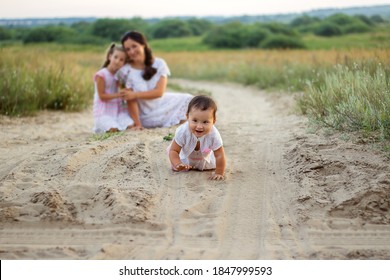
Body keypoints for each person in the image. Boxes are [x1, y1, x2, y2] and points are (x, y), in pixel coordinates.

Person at [116, 30, 193, 128]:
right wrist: (138, 124)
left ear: (143, 44)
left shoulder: (159, 63)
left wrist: (135, 94)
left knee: (189, 99)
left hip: (161, 104)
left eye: (134, 46)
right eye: (127, 49)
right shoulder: (124, 71)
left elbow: (159, 92)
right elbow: (130, 99)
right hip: (143, 114)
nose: (131, 51)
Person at [168, 95, 226, 180]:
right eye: (195, 121)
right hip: (186, 158)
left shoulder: (213, 134)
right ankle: (181, 164)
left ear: (213, 121)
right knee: (174, 156)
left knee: (212, 163)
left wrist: (219, 172)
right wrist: (178, 164)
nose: (199, 126)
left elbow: (220, 155)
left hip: (204, 159)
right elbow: (174, 150)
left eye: (205, 122)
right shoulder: (183, 131)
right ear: (187, 117)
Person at [93, 43, 140, 133]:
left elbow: (123, 89)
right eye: (115, 57)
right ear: (110, 56)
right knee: (113, 129)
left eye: (121, 60)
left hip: (118, 112)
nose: (117, 61)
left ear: (124, 63)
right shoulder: (101, 74)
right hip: (103, 112)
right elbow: (102, 96)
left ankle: (120, 124)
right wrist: (118, 95)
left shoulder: (119, 75)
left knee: (131, 125)